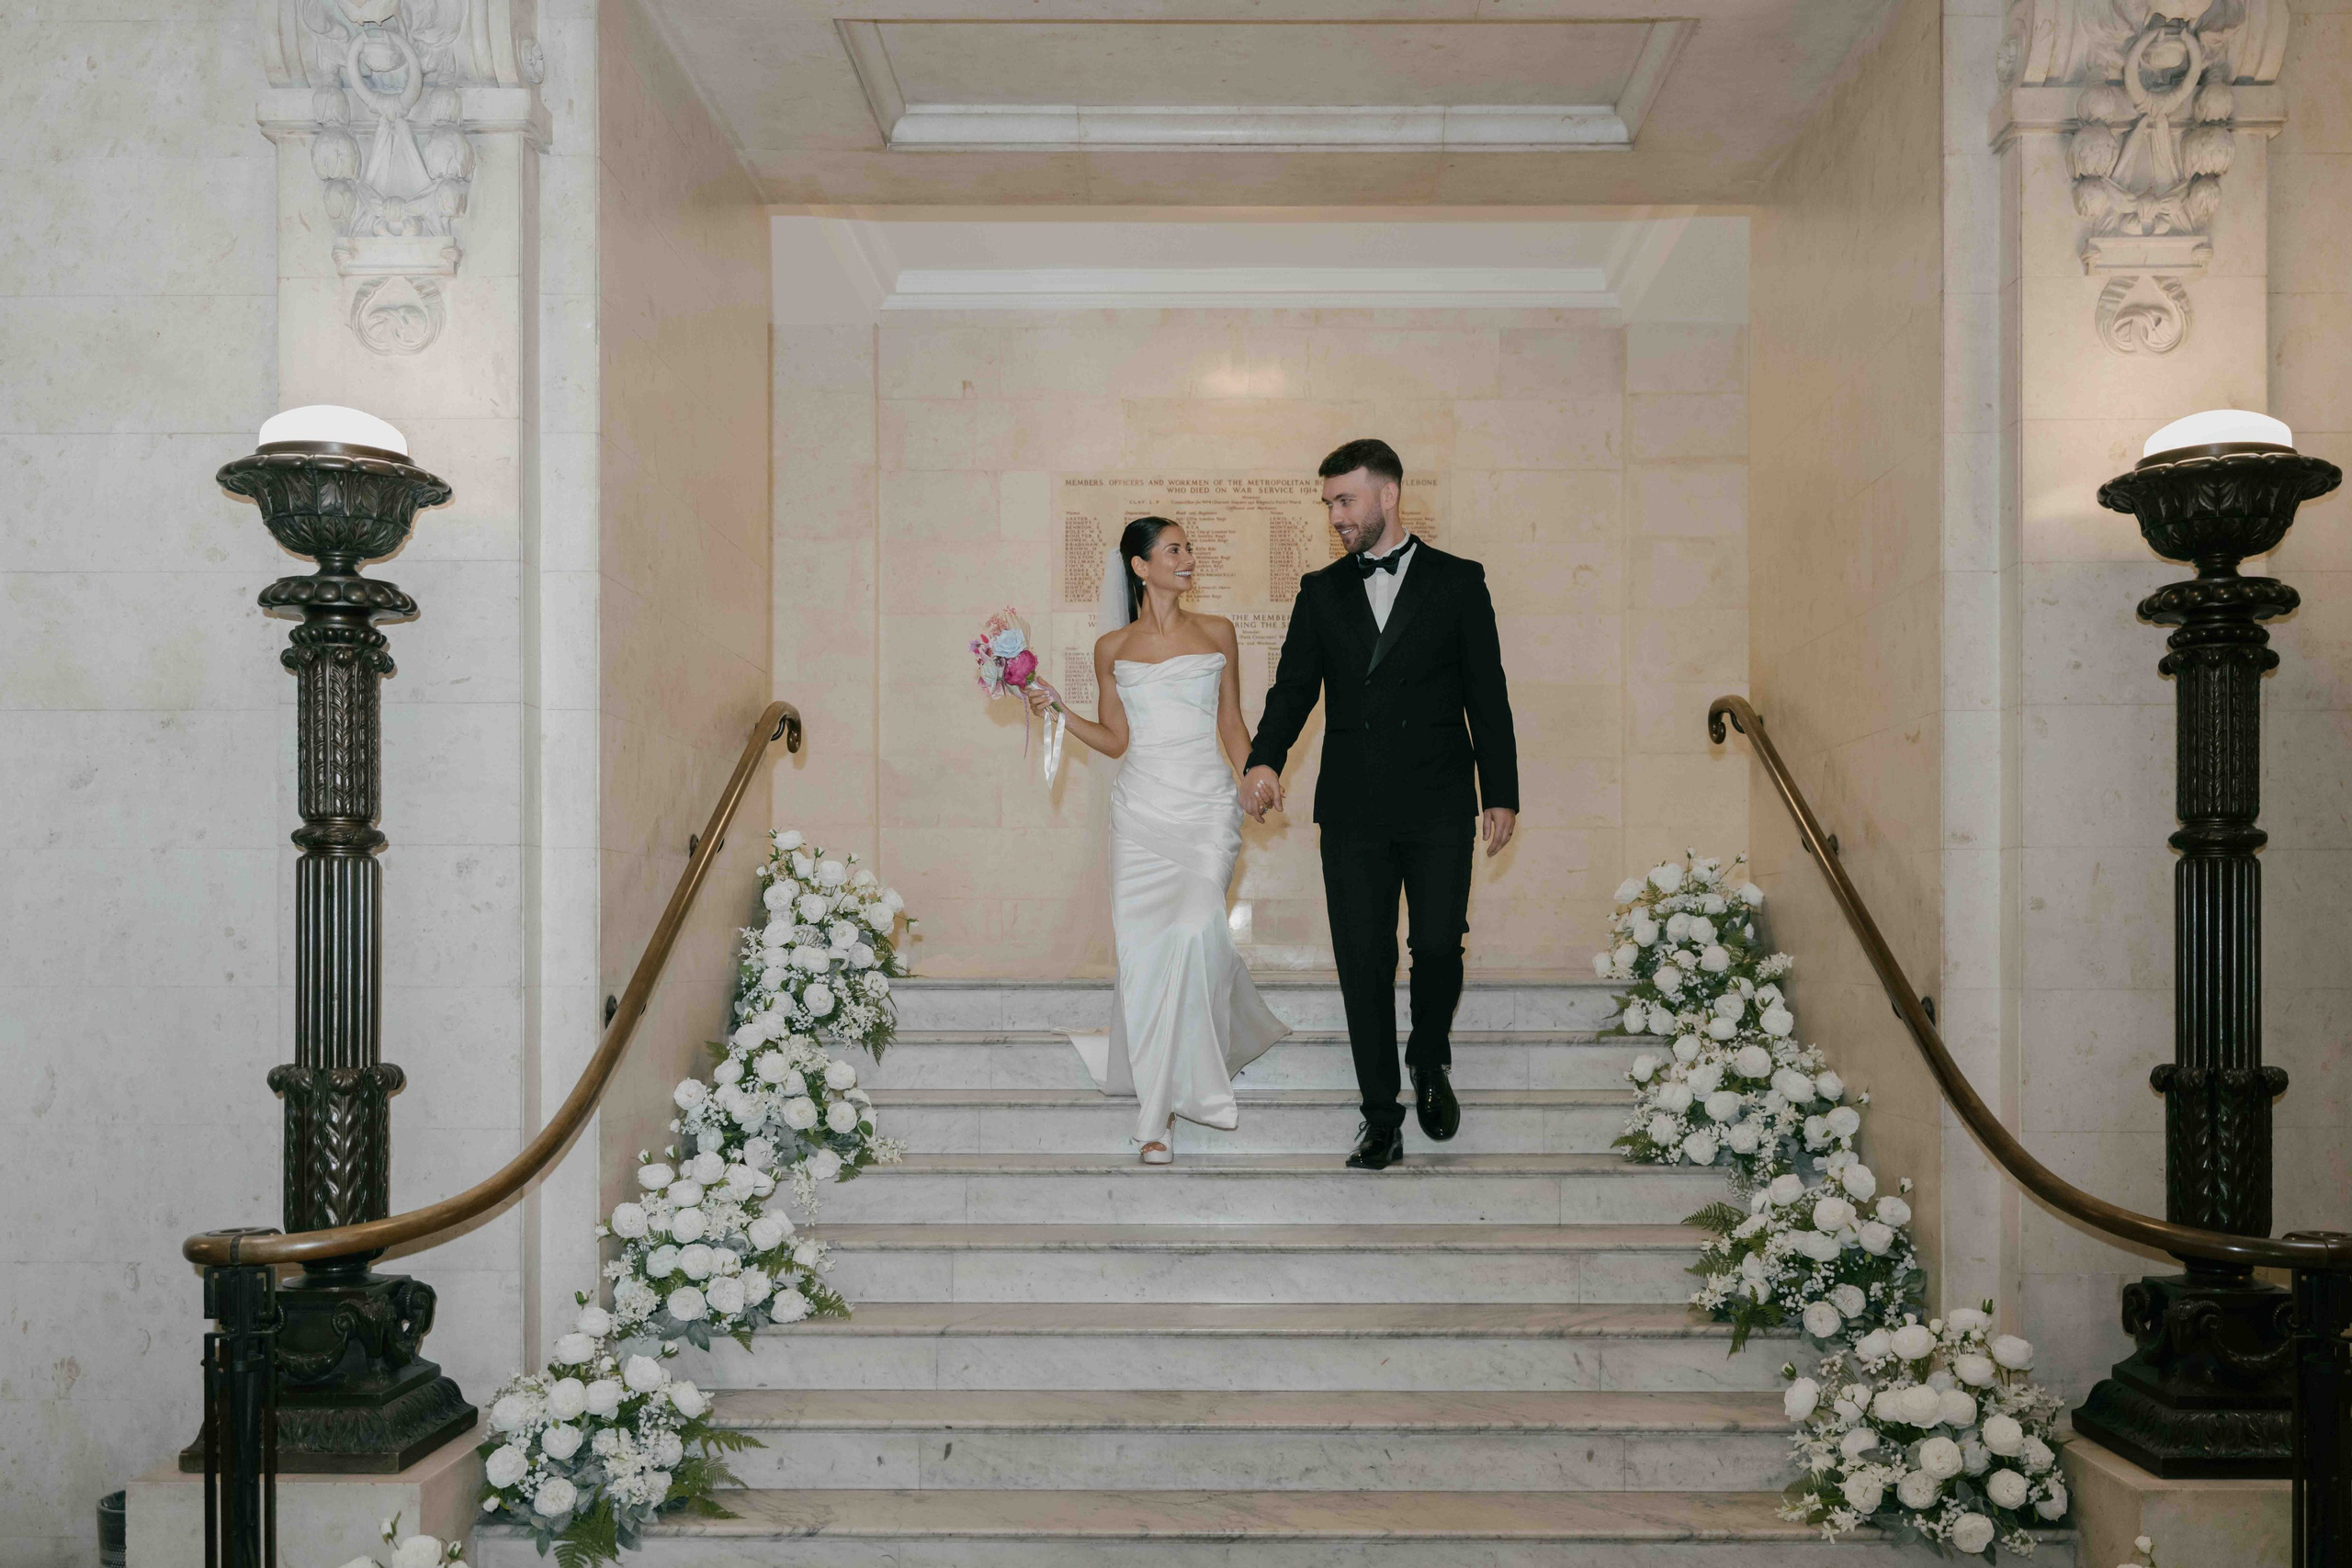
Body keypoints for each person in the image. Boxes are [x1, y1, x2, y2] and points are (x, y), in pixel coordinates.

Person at [1240, 438, 1520, 1170]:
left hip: (1439, 801)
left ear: (1388, 494)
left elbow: (1487, 692)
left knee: (1437, 944)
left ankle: (1428, 1054)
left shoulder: (1459, 581)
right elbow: (1292, 690)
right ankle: (1379, 1116)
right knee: (1362, 960)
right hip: (1353, 808)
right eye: (1329, 503)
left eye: (1346, 499)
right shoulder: (1319, 591)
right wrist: (1264, 757)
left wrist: (1501, 791)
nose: (1335, 516)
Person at [1028, 516, 1288, 1164]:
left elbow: (1232, 723)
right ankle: (1157, 1114)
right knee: (1146, 958)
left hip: (1205, 811)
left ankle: (1191, 1071)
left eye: (1189, 547)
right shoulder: (1111, 648)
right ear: (1141, 567)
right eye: (1175, 549)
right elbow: (1116, 740)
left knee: (1197, 934)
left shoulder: (1218, 632)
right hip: (1140, 814)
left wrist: (1255, 775)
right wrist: (1059, 709)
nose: (1189, 557)